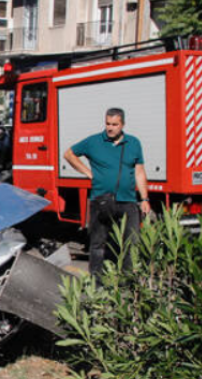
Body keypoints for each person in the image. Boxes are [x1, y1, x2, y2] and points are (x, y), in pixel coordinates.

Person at [64, 107, 150, 276]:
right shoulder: (94, 142)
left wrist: (145, 198)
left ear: (122, 125)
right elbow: (69, 154)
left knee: (131, 242)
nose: (110, 128)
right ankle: (97, 283)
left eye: (115, 124)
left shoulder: (133, 143)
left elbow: (139, 172)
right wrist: (87, 173)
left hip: (128, 201)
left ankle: (128, 282)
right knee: (98, 244)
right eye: (108, 123)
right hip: (101, 200)